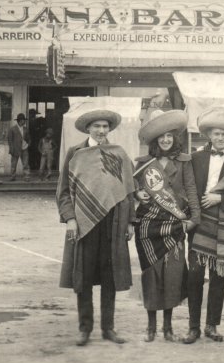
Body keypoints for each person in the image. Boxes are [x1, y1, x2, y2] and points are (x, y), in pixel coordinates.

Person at [57, 108, 136, 347]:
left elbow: (129, 190)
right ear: (88, 128)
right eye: (97, 127)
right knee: (84, 276)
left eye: (105, 127)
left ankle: (108, 328)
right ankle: (85, 328)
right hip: (84, 224)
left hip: (112, 223)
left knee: (110, 277)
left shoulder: (119, 154)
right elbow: (63, 192)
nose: (101, 131)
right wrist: (70, 218)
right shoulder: (75, 153)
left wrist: (130, 221)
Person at [133, 110, 199, 343]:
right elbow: (132, 189)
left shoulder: (183, 162)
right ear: (154, 140)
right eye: (161, 137)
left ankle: (167, 326)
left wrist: (195, 217)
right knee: (151, 274)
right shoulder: (142, 164)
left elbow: (190, 189)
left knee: (173, 275)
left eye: (169, 136)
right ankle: (151, 326)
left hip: (174, 224)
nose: (165, 140)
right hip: (148, 226)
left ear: (175, 138)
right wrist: (137, 193)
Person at [183, 106, 224, 344]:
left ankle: (211, 326)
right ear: (209, 135)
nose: (220, 138)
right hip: (199, 223)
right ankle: (193, 327)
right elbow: (186, 188)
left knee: (219, 275)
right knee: (195, 276)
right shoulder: (195, 158)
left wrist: (222, 198)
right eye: (216, 134)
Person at [7, 113, 31, 181]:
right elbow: (10, 140)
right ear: (20, 121)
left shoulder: (26, 129)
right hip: (15, 149)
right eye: (23, 120)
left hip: (24, 148)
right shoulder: (12, 129)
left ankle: (26, 177)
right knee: (13, 164)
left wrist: (28, 144)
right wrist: (11, 149)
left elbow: (29, 138)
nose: (24, 121)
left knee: (25, 163)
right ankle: (12, 176)